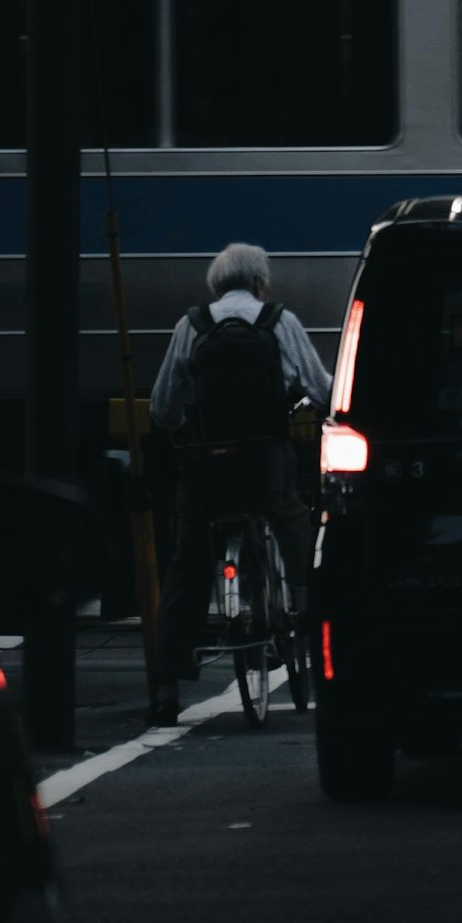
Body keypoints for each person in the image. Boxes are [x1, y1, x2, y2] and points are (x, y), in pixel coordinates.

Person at [146, 242, 334, 721]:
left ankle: (167, 687)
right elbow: (321, 388)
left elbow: (162, 406)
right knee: (294, 523)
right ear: (258, 282)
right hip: (264, 467)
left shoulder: (192, 325)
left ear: (215, 284)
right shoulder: (279, 322)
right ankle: (305, 617)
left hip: (206, 469)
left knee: (187, 564)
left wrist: (182, 429)